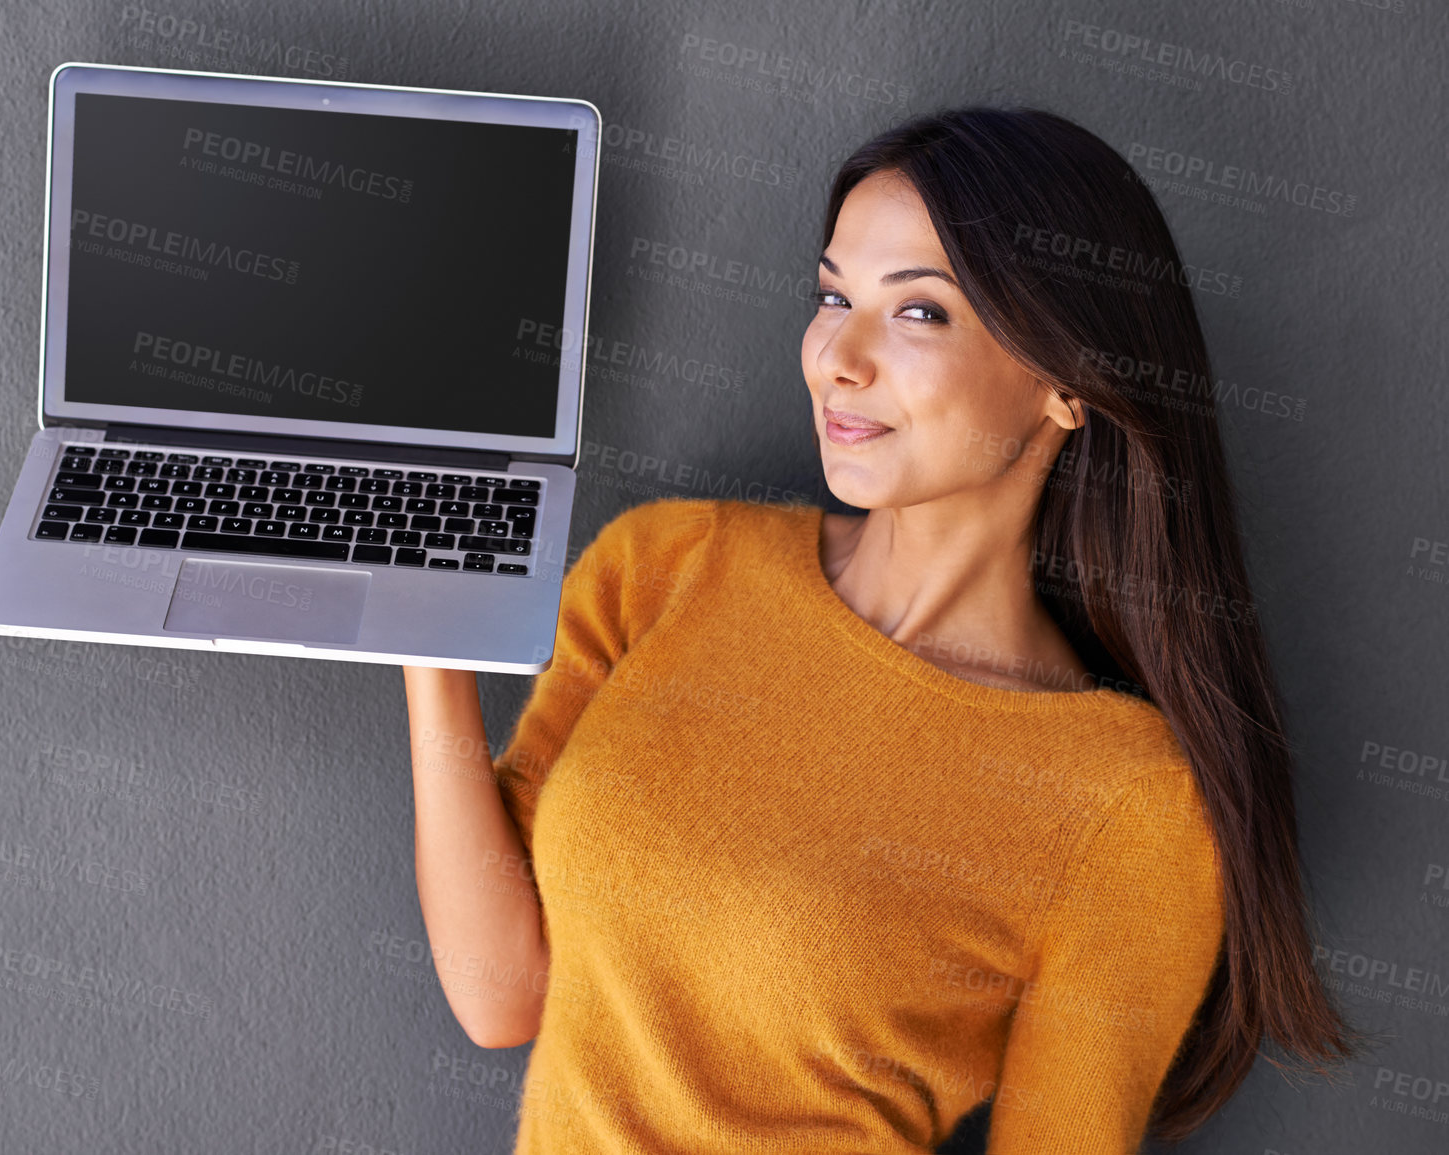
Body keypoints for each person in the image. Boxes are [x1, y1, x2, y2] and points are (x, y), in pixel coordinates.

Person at [400, 105, 1366, 1154]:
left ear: (1068, 385)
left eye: (920, 314)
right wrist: (427, 645)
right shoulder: (668, 564)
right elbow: (505, 998)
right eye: (832, 296)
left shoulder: (1127, 804)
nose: (837, 358)